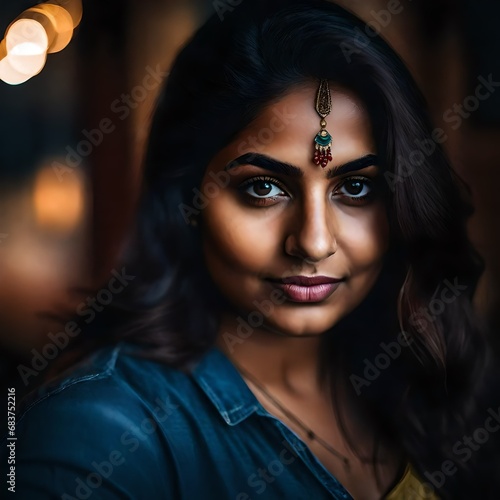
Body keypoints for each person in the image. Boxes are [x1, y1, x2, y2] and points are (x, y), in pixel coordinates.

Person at [5, 1, 499, 498]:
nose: (314, 241)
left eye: (356, 189)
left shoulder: (425, 382)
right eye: (263, 188)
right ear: (186, 199)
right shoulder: (100, 437)